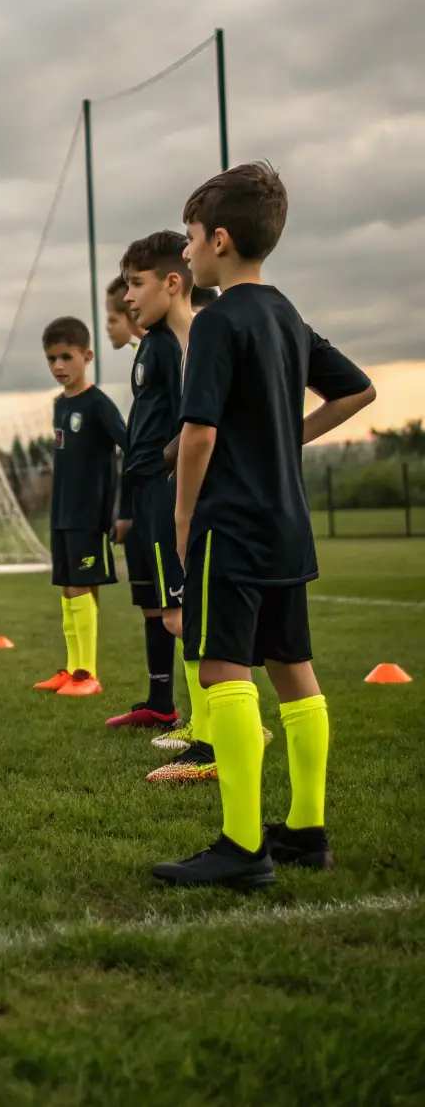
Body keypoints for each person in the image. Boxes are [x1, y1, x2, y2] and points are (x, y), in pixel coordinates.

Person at [153, 162, 375, 888]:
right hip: (287, 523)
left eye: (189, 240)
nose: (184, 255)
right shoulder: (285, 313)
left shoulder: (217, 320)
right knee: (293, 670)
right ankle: (307, 831)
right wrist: (290, 434)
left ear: (219, 240)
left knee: (222, 668)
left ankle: (243, 846)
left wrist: (185, 514)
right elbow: (358, 390)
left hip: (232, 524)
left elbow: (198, 435)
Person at [104, 234, 195, 744]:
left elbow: (192, 423)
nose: (129, 297)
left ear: (172, 282)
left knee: (179, 612)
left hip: (162, 491)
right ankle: (161, 704)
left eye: (136, 285)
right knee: (155, 605)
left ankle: (202, 727)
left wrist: (161, 467)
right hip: (142, 490)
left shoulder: (175, 348)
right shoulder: (153, 346)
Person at [33, 317, 126, 697]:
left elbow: (130, 447)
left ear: (86, 356)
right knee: (68, 590)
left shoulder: (99, 404)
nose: (58, 366)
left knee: (83, 589)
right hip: (63, 515)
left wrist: (122, 508)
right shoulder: (59, 405)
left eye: (66, 357)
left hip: (90, 516)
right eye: (52, 359)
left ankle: (88, 674)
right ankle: (72, 669)